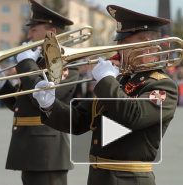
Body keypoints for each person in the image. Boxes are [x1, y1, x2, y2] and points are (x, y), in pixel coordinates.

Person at [32, 5, 178, 185]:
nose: (117, 51)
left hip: (130, 179)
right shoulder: (120, 82)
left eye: (124, 45)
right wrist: (50, 105)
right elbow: (80, 120)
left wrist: (107, 80)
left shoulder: (162, 85)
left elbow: (133, 116)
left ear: (147, 46)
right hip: (99, 177)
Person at [0, 0, 78, 184]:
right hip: (29, 147)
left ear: (52, 33)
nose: (29, 35)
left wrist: (27, 65)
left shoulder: (67, 63)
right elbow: (23, 106)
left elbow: (46, 102)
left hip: (47, 151)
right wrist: (2, 86)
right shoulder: (37, 61)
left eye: (34, 30)